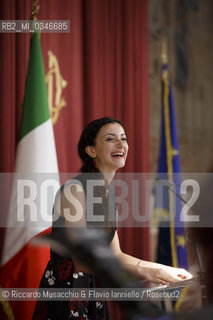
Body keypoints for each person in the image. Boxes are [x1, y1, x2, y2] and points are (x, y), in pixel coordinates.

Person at [33, 117, 192, 319]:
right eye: (111, 139)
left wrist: (164, 269)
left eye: (123, 139)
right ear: (91, 150)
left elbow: (115, 255)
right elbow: (83, 260)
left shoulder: (107, 194)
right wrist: (147, 273)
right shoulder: (75, 190)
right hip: (68, 291)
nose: (121, 144)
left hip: (94, 291)